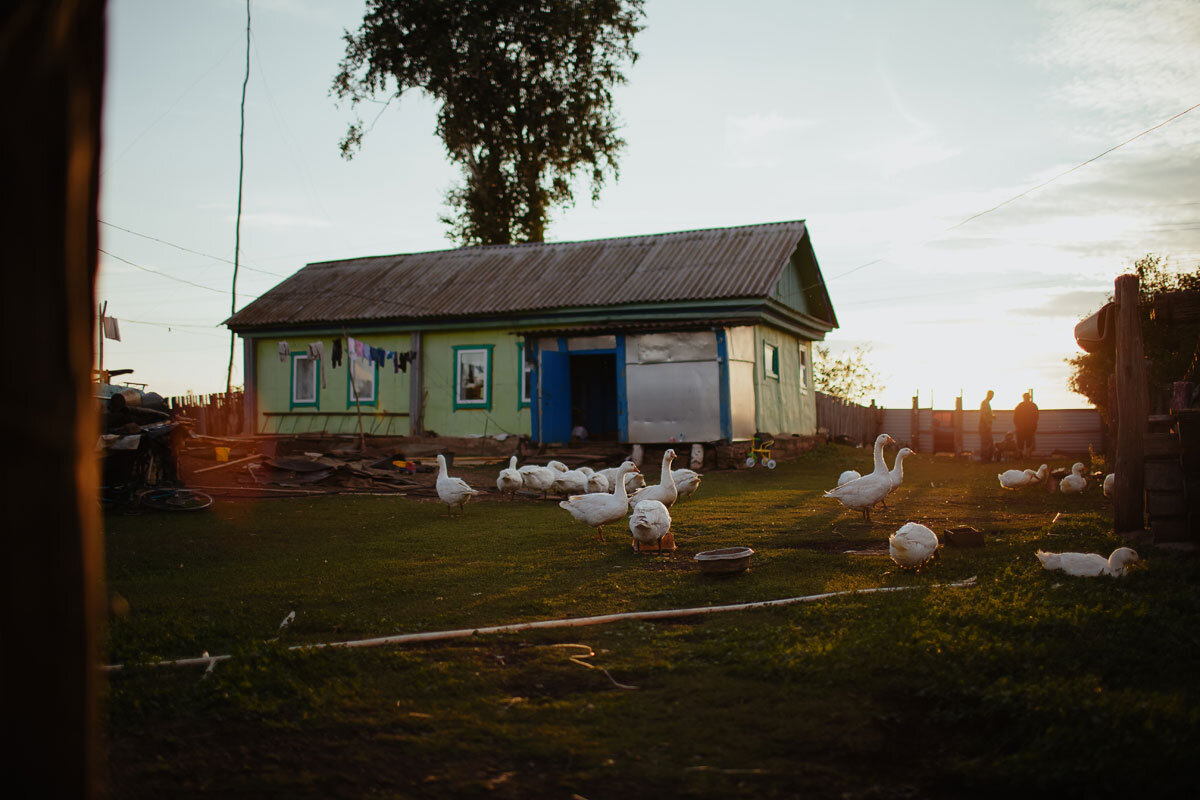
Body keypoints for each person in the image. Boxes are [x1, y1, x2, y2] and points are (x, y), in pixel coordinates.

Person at [1013, 392, 1039, 458]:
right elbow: (1036, 417)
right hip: (1029, 428)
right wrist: (1034, 426)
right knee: (1028, 442)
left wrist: (1017, 426)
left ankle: (1020, 455)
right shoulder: (1033, 406)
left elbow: (1015, 417)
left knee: (1021, 442)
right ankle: (1027, 456)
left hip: (1021, 428)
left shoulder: (1020, 406)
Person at [978, 390, 996, 461]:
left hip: (985, 425)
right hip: (984, 426)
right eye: (991, 395)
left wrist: (992, 416)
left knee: (988, 442)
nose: (992, 397)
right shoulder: (985, 403)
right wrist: (987, 424)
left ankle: (987, 457)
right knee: (986, 442)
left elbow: (986, 414)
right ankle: (985, 458)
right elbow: (984, 415)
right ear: (988, 395)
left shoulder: (986, 403)